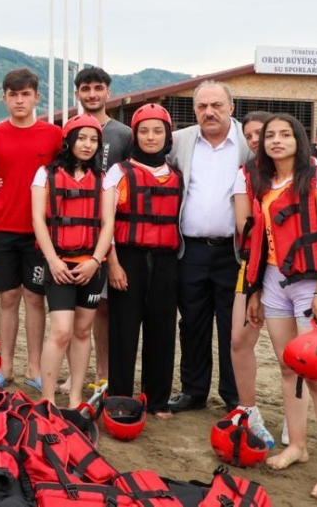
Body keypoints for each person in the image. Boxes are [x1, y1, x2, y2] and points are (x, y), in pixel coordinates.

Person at [239, 114, 317, 503]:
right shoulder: (263, 183)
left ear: (299, 140)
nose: (276, 140)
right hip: (273, 281)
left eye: (285, 134)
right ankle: (297, 445)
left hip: (312, 282)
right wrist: (255, 291)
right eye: (270, 135)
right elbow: (259, 240)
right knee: (288, 368)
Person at [167, 81, 251, 413]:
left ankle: (234, 394)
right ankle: (193, 391)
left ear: (231, 107)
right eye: (202, 106)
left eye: (216, 105)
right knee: (192, 322)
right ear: (194, 110)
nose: (209, 112)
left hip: (234, 252)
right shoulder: (179, 141)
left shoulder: (248, 143)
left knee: (234, 326)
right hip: (190, 250)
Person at [0, 68, 62, 390]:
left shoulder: (53, 135)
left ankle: (34, 369)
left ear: (36, 96)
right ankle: (6, 368)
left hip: (40, 232)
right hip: (2, 228)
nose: (19, 100)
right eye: (13, 95)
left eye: (25, 94)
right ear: (4, 98)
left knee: (34, 298)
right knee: (8, 298)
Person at [105, 104, 183, 418]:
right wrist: (113, 264)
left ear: (167, 136)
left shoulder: (176, 176)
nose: (151, 137)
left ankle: (158, 399)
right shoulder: (119, 172)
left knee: (162, 330)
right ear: (135, 135)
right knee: (124, 330)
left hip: (166, 261)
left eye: (158, 131)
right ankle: (120, 397)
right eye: (144, 131)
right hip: (128, 258)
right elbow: (106, 222)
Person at [32, 114, 114, 405]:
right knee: (61, 330)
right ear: (68, 141)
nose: (87, 145)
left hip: (92, 266)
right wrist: (53, 261)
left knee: (82, 330)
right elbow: (38, 220)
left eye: (93, 140)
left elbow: (108, 223)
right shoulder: (45, 174)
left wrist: (95, 261)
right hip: (59, 265)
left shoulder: (104, 179)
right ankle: (47, 399)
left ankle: (76, 397)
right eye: (81, 138)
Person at [66, 67, 132, 392]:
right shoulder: (69, 130)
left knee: (103, 307)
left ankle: (102, 373)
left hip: (112, 231)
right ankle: (73, 373)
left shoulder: (123, 134)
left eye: (98, 88)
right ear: (77, 93)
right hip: (73, 232)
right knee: (70, 308)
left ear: (108, 92)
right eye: (86, 88)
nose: (92, 94)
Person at [229, 111, 277, 446]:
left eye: (262, 132)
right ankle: (249, 411)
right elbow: (244, 226)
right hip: (254, 265)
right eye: (249, 135)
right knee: (239, 340)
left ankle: (294, 419)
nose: (256, 139)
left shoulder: (309, 172)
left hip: (293, 271)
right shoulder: (244, 174)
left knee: (290, 354)